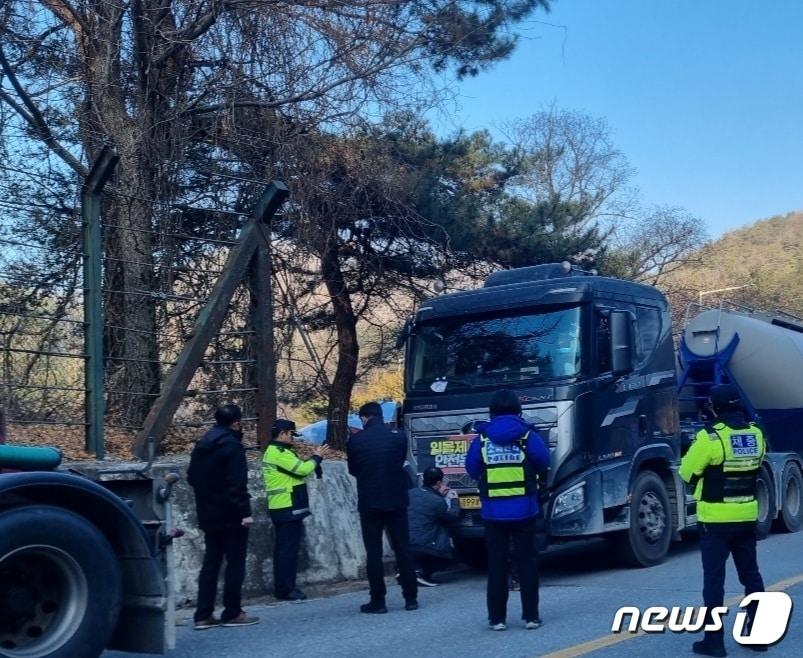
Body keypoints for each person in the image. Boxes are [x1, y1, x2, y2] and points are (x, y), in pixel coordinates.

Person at [679, 384, 767, 657]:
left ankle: (714, 642)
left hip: (715, 522)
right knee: (751, 576)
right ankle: (760, 636)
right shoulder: (756, 435)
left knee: (714, 581)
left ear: (714, 408)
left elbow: (686, 473)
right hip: (747, 517)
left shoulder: (710, 438)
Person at [465, 389, 550, 632]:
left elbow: (472, 469)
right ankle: (531, 617)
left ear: (491, 413)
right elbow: (543, 462)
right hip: (525, 510)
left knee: (496, 565)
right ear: (518, 411)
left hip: (493, 512)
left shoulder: (481, 439)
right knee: (527, 563)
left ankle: (497, 619)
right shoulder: (527, 436)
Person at [187, 404, 259, 629]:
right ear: (236, 422)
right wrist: (245, 512)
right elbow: (237, 484)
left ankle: (203, 614)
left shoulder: (202, 444)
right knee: (235, 563)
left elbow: (191, 477)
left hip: (208, 512)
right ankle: (232, 611)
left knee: (211, 562)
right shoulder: (233, 446)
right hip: (231, 514)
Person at [347, 401, 418, 613]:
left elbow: (353, 469)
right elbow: (399, 463)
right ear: (380, 416)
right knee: (403, 548)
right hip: (396, 498)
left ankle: (378, 600)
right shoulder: (398, 437)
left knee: (374, 552)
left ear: (364, 418)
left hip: (370, 501)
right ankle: (410, 597)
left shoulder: (356, 441)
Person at [262, 418, 331, 601]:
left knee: (284, 550)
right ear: (283, 433)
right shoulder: (278, 453)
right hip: (287, 506)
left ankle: (284, 588)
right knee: (288, 551)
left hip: (284, 506)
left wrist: (314, 458)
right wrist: (317, 456)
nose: (293, 438)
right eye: (291, 434)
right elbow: (302, 470)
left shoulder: (278, 451)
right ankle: (288, 590)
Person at [407, 466, 460, 586]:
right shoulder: (437, 501)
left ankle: (405, 570)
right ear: (438, 482)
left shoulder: (410, 493)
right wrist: (453, 500)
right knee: (451, 556)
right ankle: (421, 573)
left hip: (404, 544)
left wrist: (438, 495)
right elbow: (452, 518)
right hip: (423, 546)